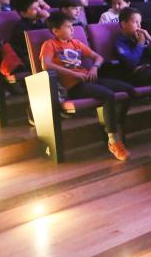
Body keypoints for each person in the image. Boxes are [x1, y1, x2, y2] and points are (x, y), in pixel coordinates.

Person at [40, 12, 136, 161]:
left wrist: (94, 68)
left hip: (88, 77)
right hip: (73, 85)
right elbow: (46, 65)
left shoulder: (76, 43)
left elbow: (98, 57)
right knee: (108, 95)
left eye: (72, 26)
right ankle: (113, 140)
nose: (72, 29)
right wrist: (73, 74)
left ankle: (116, 124)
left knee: (128, 89)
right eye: (68, 26)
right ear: (55, 31)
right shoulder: (50, 44)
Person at [114, 7, 151, 87]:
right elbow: (132, 63)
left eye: (140, 23)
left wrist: (150, 39)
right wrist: (140, 44)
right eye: (136, 22)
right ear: (124, 24)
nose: (139, 26)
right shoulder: (120, 43)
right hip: (135, 75)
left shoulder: (140, 37)